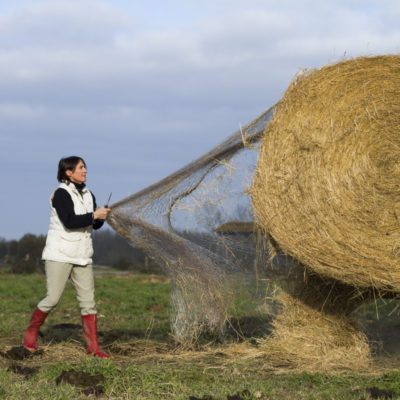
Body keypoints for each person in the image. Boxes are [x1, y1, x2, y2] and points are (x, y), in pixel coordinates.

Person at [23, 156, 111, 358]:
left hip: (83, 256)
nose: (85, 171)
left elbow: (93, 225)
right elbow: (70, 222)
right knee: (53, 298)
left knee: (89, 303)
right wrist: (94, 216)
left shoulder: (89, 194)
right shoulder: (60, 194)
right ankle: (32, 331)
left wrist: (102, 216)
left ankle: (93, 348)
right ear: (68, 173)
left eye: (85, 167)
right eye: (81, 168)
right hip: (59, 255)